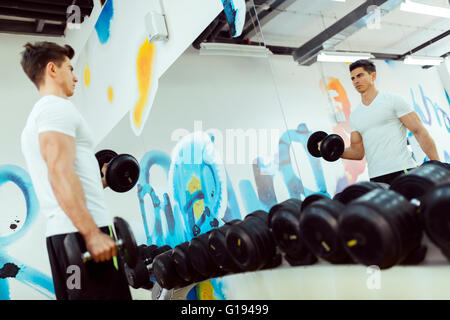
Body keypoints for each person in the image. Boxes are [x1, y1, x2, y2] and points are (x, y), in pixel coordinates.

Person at [20, 41, 131, 300]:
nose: (76, 76)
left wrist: (100, 179)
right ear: (52, 70)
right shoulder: (55, 109)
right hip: (83, 237)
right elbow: (59, 172)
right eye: (70, 68)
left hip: (70, 234)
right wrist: (92, 234)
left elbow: (62, 174)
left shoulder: (39, 117)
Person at [341, 59, 440, 185]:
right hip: (376, 177)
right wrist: (331, 151)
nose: (356, 81)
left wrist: (438, 165)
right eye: (353, 78)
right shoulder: (355, 116)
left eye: (360, 75)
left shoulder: (393, 100)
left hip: (402, 169)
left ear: (373, 75)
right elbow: (358, 152)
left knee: (414, 205)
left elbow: (419, 131)